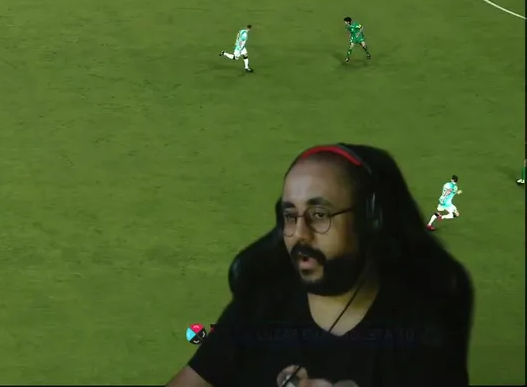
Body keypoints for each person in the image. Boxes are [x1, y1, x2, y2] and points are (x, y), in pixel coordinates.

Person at [166, 143, 473, 387]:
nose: (299, 234)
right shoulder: (260, 304)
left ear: (370, 221)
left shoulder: (419, 334)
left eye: (319, 214)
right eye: (290, 216)